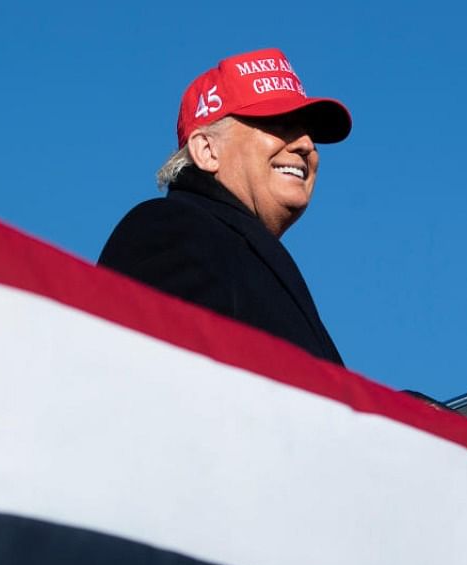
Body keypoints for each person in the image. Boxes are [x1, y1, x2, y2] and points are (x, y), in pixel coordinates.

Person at [98, 48, 351, 365]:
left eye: (308, 132)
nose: (306, 145)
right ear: (206, 150)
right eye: (278, 123)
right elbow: (145, 377)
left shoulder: (239, 255)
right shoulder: (172, 230)